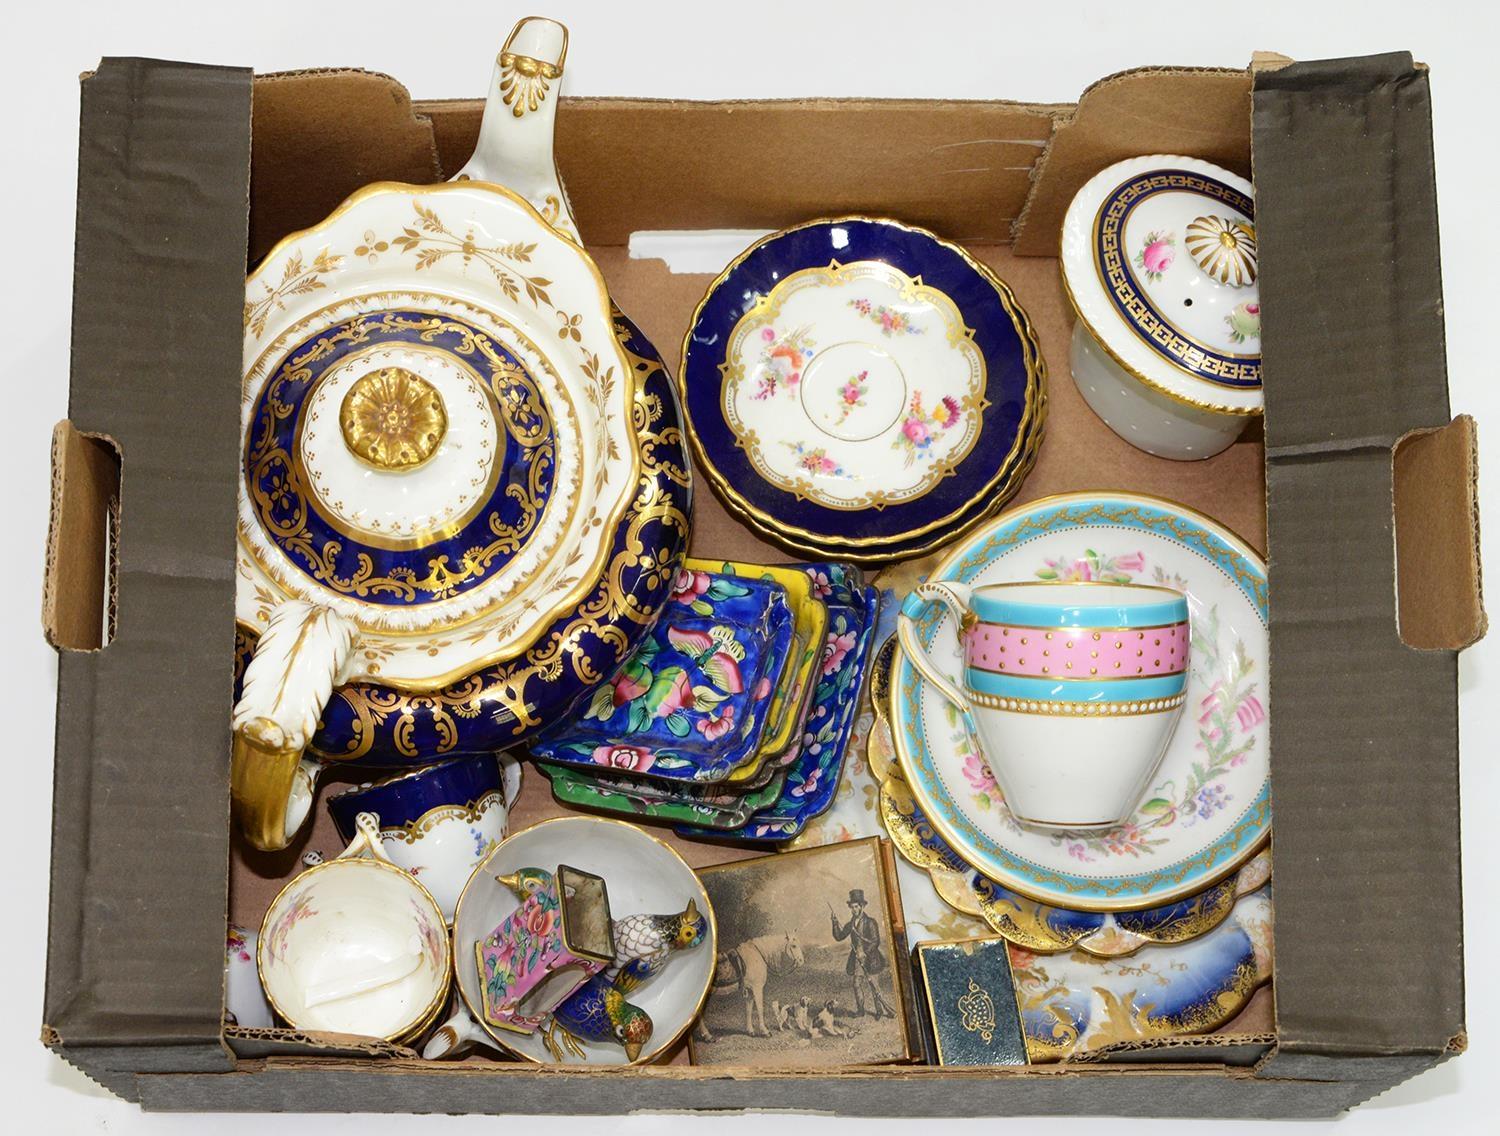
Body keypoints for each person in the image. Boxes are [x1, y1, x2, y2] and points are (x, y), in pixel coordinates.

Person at [830, 888, 895, 1019]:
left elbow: (875, 941)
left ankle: (880, 1011)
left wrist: (864, 952)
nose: (853, 910)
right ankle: (860, 1010)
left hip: (871, 958)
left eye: (856, 907)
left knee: (874, 986)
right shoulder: (851, 924)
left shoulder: (871, 922)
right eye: (852, 907)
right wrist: (835, 922)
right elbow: (839, 936)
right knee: (856, 984)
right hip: (857, 960)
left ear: (862, 907)